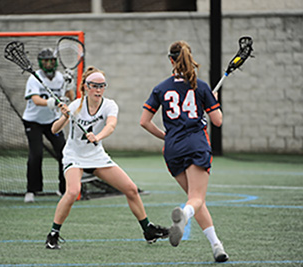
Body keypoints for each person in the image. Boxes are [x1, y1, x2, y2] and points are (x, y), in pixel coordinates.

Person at [44, 66, 169, 249]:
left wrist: (98, 137)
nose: (98, 90)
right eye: (94, 86)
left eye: (102, 86)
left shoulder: (110, 105)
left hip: (96, 156)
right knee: (72, 192)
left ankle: (147, 229)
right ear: (86, 87)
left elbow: (111, 125)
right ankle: (53, 234)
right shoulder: (75, 106)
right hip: (74, 156)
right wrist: (64, 117)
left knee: (131, 189)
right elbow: (54, 130)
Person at [140, 40, 229, 262]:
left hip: (172, 149)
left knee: (195, 199)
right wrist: (214, 103)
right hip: (196, 144)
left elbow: (144, 121)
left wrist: (166, 136)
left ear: (171, 60)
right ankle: (185, 216)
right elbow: (217, 121)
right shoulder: (202, 86)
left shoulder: (160, 88)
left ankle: (217, 246)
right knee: (195, 200)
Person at [22, 47, 75, 203]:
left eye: (51, 60)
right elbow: (36, 100)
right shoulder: (35, 78)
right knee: (36, 154)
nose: (49, 63)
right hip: (33, 121)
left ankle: (64, 189)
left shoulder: (60, 78)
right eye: (46, 60)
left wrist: (70, 86)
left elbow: (69, 98)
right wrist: (50, 102)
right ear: (41, 62)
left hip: (53, 121)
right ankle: (32, 190)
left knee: (64, 152)